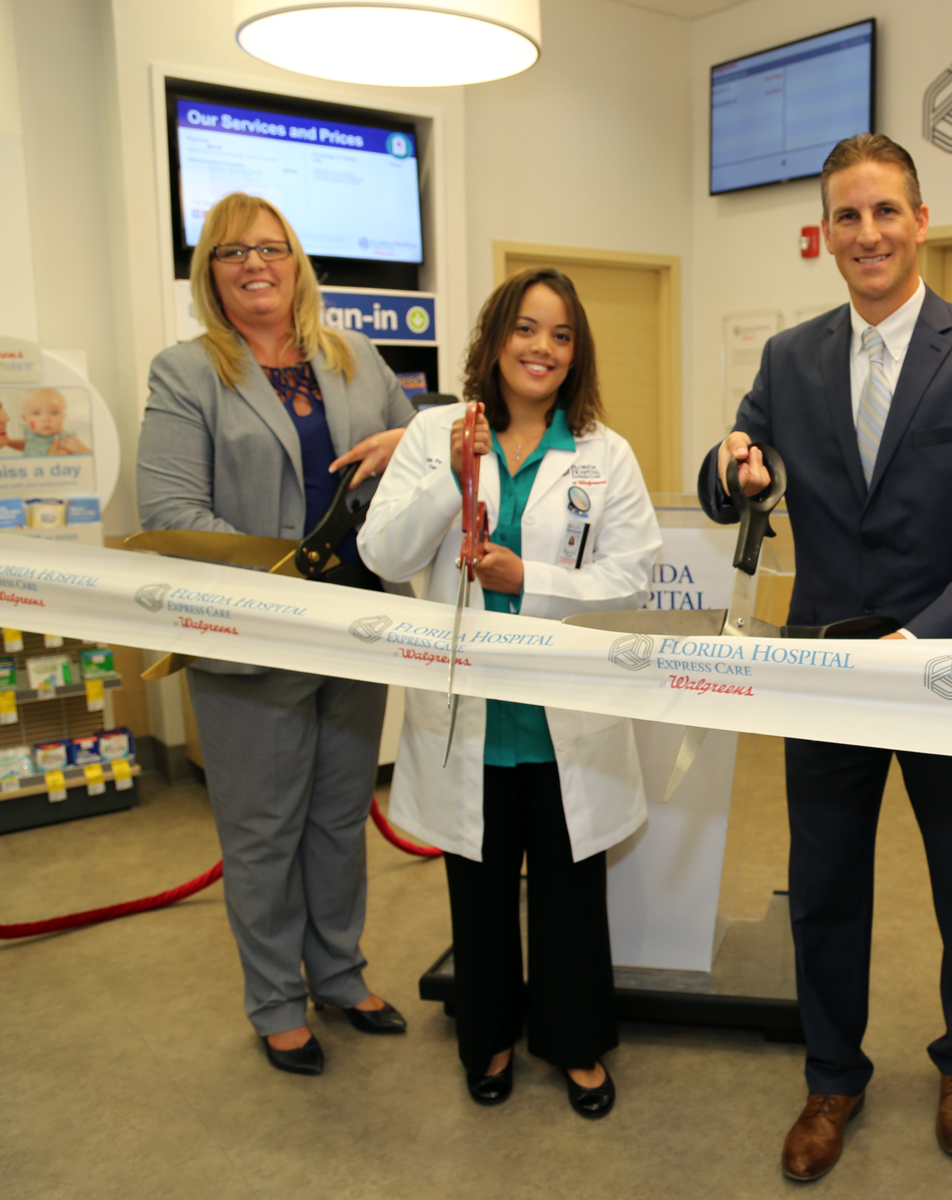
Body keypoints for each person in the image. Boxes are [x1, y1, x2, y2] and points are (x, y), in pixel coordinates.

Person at [701, 133, 952, 1181]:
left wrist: (923, 637)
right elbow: (739, 472)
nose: (867, 234)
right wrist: (732, 469)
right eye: (847, 216)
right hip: (823, 669)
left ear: (921, 220)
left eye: (886, 211)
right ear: (827, 232)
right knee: (822, 885)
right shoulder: (791, 357)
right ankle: (831, 1078)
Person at [359, 268, 660, 1115]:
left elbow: (631, 577)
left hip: (566, 716)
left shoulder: (605, 451)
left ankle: (575, 1045)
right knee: (481, 893)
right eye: (527, 330)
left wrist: (531, 577)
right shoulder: (432, 434)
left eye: (561, 336)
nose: (542, 349)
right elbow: (385, 554)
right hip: (469, 717)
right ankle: (487, 1035)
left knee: (570, 893)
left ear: (577, 354)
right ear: (495, 339)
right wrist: (446, 472)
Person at [137, 192, 415, 1076]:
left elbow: (414, 467)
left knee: (338, 816)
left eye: (270, 248)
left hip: (355, 625)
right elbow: (173, 512)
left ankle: (338, 972)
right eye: (231, 252)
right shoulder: (186, 373)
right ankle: (274, 1002)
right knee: (261, 832)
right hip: (250, 634)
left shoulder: (354, 356)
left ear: (296, 262)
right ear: (208, 274)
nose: (254, 264)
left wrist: (404, 456)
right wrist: (286, 579)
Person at [18, 389, 90, 456]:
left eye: (53, 413)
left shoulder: (66, 439)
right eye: (36, 413)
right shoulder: (30, 433)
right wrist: (9, 442)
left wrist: (81, 449)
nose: (45, 419)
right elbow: (27, 444)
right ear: (25, 419)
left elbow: (94, 458)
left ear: (63, 417)